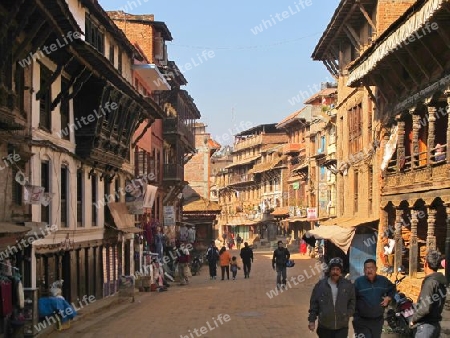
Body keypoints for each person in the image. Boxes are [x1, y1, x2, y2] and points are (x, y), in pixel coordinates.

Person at [308, 257, 355, 338]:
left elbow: (352, 301)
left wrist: (348, 313)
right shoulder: (320, 286)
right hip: (324, 326)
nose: (335, 272)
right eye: (333, 269)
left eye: (337, 269)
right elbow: (314, 304)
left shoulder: (347, 285)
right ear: (329, 270)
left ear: (340, 271)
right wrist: (312, 321)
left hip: (342, 327)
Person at [353, 258, 395, 338]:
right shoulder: (358, 282)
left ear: (376, 269)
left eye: (371, 268)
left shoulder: (383, 281)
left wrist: (388, 298)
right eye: (366, 268)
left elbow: (392, 288)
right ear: (364, 270)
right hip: (362, 321)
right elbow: (351, 298)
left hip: (377, 321)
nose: (369, 270)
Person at [410, 250, 447, 337]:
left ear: (426, 264)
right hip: (435, 325)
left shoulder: (430, 282)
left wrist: (413, 319)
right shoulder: (440, 281)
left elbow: (425, 308)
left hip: (425, 327)